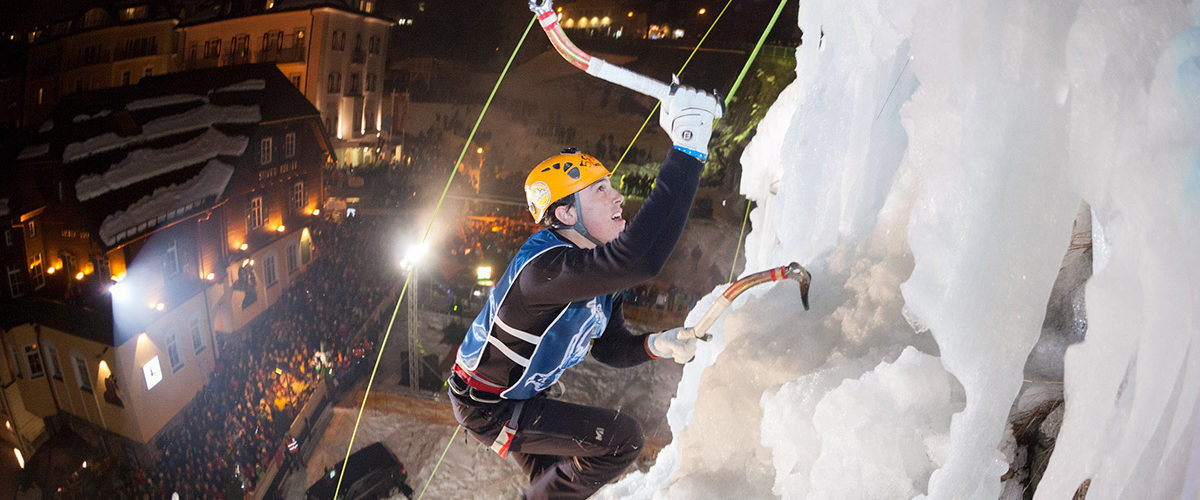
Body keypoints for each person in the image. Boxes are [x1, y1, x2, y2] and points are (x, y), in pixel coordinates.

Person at [447, 84, 723, 500]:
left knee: (565, 484)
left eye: (610, 187)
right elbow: (639, 260)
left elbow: (608, 347)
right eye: (600, 191)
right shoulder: (542, 271)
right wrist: (687, 149)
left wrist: (658, 344)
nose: (618, 198)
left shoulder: (594, 275)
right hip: (489, 407)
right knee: (623, 439)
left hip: (517, 396)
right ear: (565, 213)